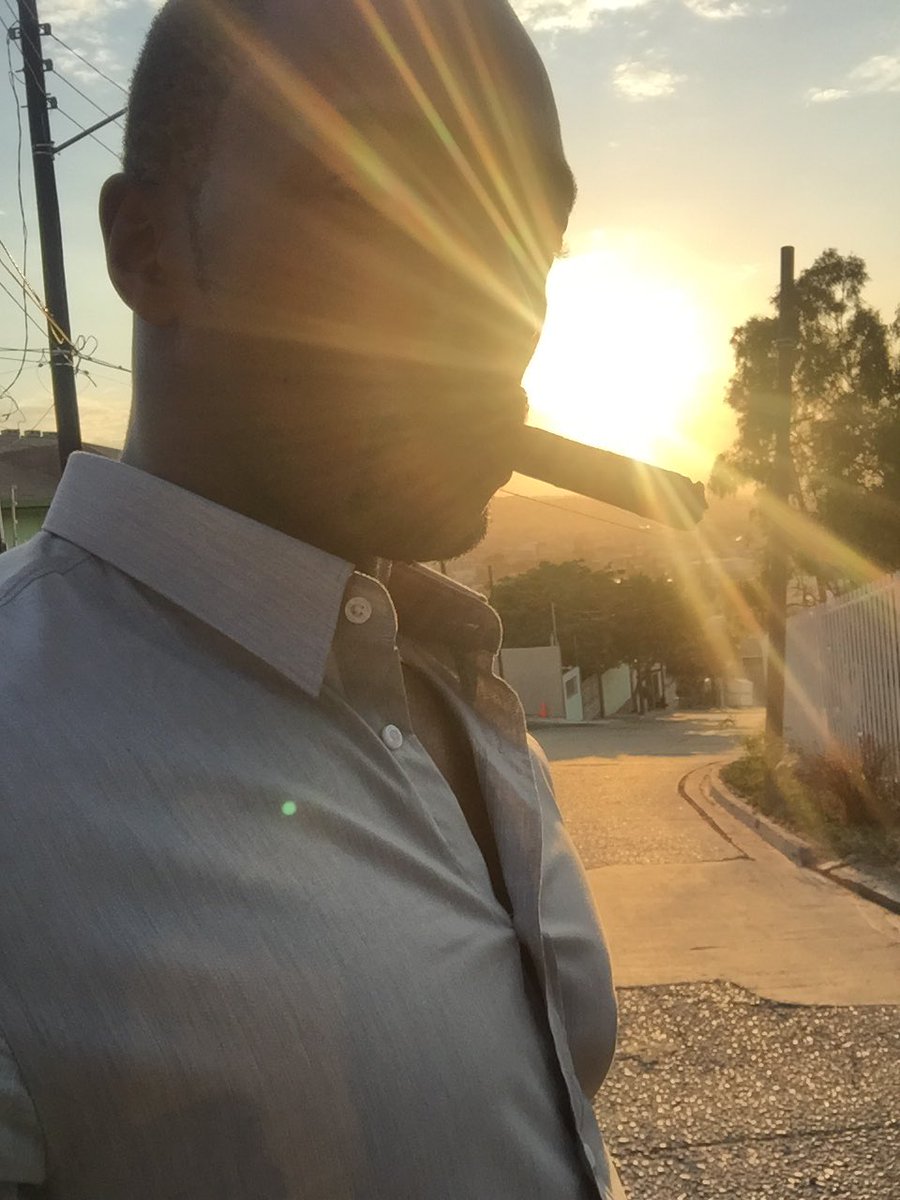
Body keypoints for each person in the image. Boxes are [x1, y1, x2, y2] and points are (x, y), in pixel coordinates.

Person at [0, 1, 624, 1196]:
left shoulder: (448, 666)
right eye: (381, 203)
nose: (494, 314)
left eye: (532, 238)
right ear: (148, 251)